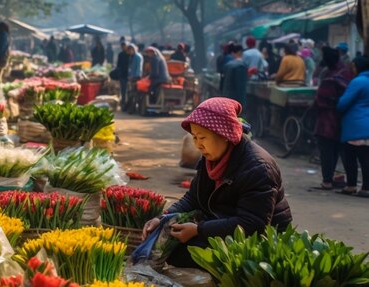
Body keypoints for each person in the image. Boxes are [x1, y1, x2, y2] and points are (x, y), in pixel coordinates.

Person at [142, 98, 292, 268]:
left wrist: (199, 230)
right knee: (170, 247)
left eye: (203, 138)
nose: (198, 145)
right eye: (195, 138)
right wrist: (162, 218)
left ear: (224, 134)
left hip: (257, 239)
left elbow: (252, 224)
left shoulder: (258, 168)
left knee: (182, 253)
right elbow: (193, 198)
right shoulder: (210, 160)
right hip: (224, 222)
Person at [312, 47, 353, 191]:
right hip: (342, 119)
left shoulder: (329, 78)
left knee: (327, 151)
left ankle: (327, 181)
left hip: (326, 120)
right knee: (337, 150)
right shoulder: (346, 72)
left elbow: (319, 101)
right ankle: (346, 181)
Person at [336, 56, 369, 198]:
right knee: (366, 159)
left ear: (356, 66)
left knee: (350, 157)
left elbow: (342, 104)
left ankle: (351, 185)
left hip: (355, 126)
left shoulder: (358, 81)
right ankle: (366, 188)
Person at [116, 41, 130, 110]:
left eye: (124, 46)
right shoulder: (120, 54)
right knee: (123, 91)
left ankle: (129, 105)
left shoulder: (130, 54)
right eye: (122, 46)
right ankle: (123, 105)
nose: (123, 47)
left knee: (129, 91)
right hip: (122, 75)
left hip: (129, 76)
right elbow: (118, 65)